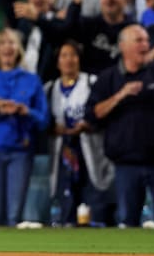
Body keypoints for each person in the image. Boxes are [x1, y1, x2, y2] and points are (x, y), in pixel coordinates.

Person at [85, 25, 154, 227]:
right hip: (125, 165)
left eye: (146, 40)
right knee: (127, 223)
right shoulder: (109, 78)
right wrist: (120, 95)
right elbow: (92, 114)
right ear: (123, 46)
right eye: (139, 40)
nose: (145, 45)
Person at [0, 28, 49, 226]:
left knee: (14, 216)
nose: (7, 47)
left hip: (20, 149)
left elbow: (44, 119)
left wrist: (25, 111)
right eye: (2, 43)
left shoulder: (31, 80)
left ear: (18, 48)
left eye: (11, 42)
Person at [47, 40, 114, 226]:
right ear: (57, 62)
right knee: (66, 205)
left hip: (89, 150)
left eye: (73, 55)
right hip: (63, 153)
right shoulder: (50, 88)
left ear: (79, 59)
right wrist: (53, 128)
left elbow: (105, 114)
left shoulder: (93, 82)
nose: (69, 60)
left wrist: (89, 124)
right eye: (64, 55)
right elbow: (43, 121)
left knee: (94, 204)